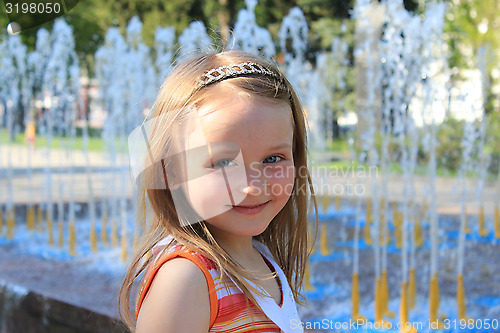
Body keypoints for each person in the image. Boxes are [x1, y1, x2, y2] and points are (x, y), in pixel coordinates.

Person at [119, 50, 318, 333]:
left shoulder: (262, 260)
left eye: (273, 159)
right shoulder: (186, 279)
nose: (253, 185)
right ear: (171, 171)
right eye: (223, 163)